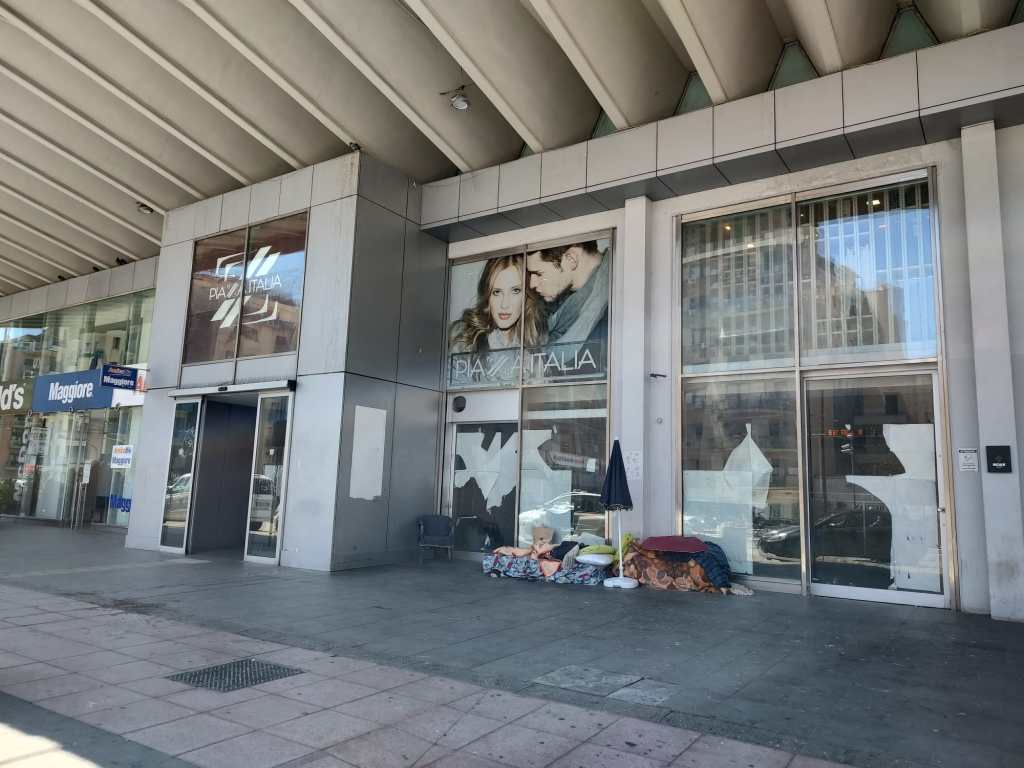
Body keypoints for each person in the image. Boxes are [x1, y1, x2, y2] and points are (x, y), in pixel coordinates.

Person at [449, 254, 545, 353]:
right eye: (497, 292)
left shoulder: (538, 340)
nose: (504, 305)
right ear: (487, 296)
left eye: (515, 291)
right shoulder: (464, 338)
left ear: (527, 296)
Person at [525, 240, 609, 345]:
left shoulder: (612, 307)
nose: (532, 284)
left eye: (539, 274)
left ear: (571, 259)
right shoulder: (570, 302)